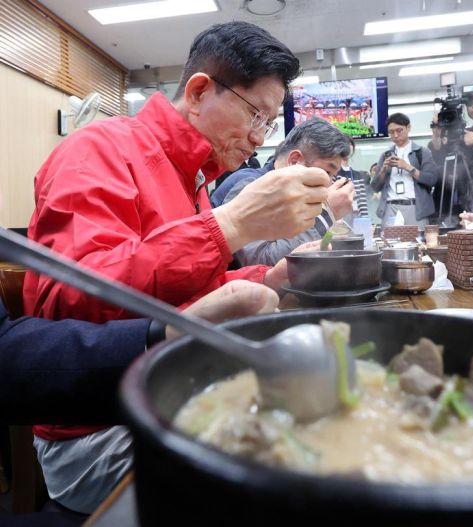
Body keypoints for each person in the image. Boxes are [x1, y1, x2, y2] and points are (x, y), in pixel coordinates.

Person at [22, 21, 330, 514]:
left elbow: (186, 295)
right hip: (97, 425)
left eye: (268, 124)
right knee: (291, 471)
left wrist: (269, 276)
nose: (258, 137)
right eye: (256, 114)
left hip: (173, 386)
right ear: (199, 91)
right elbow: (65, 304)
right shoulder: (98, 148)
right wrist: (228, 225)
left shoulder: (196, 179)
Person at [1, 280, 277, 425]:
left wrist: (262, 278)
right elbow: (73, 299)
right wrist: (227, 226)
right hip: (87, 426)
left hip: (163, 384)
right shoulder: (83, 171)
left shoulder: (196, 183)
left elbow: (194, 289)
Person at [218, 119, 354, 266]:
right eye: (326, 172)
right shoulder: (248, 184)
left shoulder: (297, 196)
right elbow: (261, 262)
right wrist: (326, 215)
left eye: (333, 176)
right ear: (295, 160)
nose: (329, 183)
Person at [371, 112, 437, 228]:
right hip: (390, 207)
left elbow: (431, 180)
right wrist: (383, 170)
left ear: (408, 127)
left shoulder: (422, 152)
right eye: (391, 132)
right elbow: (375, 187)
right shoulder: (385, 155)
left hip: (415, 208)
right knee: (389, 244)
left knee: (418, 243)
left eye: (399, 130)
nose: (395, 135)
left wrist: (408, 167)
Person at [337, 136, 370, 220]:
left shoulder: (358, 175)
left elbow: (362, 204)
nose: (347, 147)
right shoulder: (333, 173)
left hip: (356, 217)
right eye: (344, 144)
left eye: (350, 144)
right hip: (340, 217)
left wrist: (365, 221)